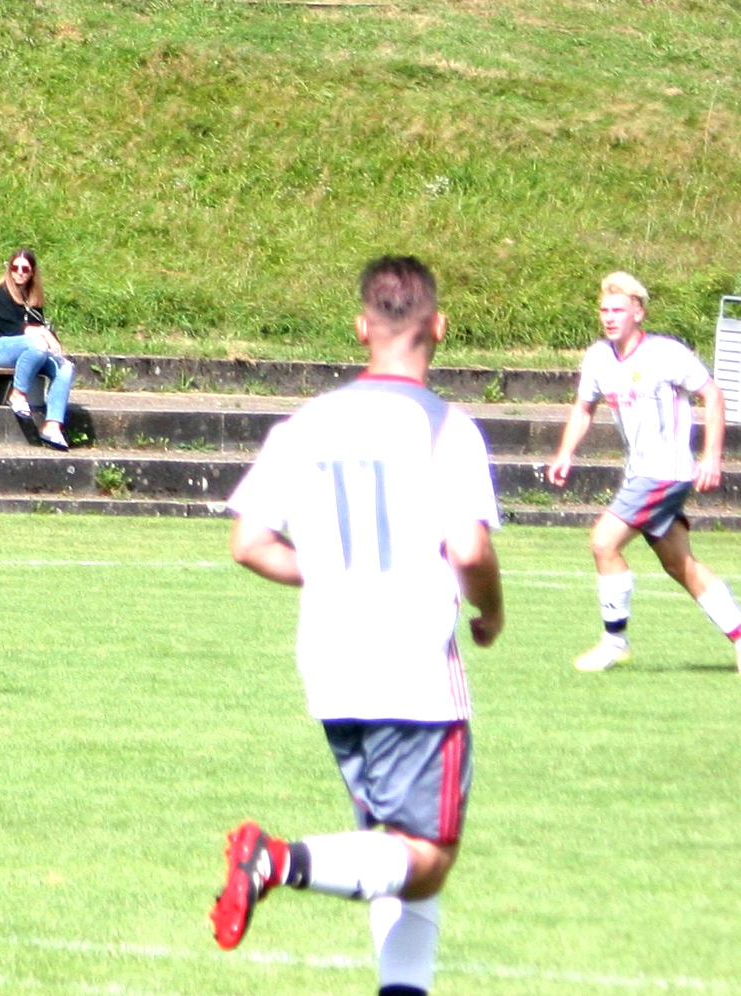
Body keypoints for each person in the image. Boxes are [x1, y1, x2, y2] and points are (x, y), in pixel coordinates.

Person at [210, 256, 503, 996]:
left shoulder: (308, 423)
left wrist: (330, 571)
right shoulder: (446, 426)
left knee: (390, 851)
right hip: (413, 668)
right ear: (439, 327)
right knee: (428, 858)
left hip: (331, 666)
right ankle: (278, 861)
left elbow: (248, 543)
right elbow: (469, 550)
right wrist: (491, 609)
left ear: (360, 327)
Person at [544, 272, 740, 673]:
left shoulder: (665, 353)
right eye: (604, 310)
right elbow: (584, 408)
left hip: (665, 472)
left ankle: (615, 642)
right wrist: (565, 453)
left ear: (639, 313)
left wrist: (711, 456)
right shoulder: (599, 357)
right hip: (640, 473)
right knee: (680, 564)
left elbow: (712, 394)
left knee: (603, 542)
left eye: (618, 310)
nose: (609, 317)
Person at [0, 249, 74, 451]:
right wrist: (44, 334)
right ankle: (18, 394)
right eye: (15, 268)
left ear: (32, 273)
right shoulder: (0, 293)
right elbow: (18, 329)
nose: (19, 272)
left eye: (25, 269)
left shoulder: (33, 299)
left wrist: (52, 343)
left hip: (30, 350)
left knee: (65, 368)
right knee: (37, 343)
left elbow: (38, 328)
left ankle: (52, 426)